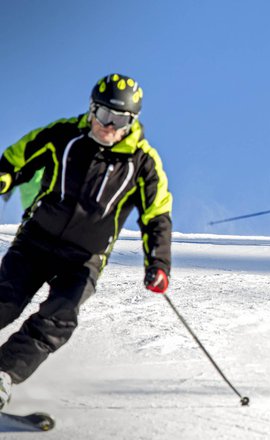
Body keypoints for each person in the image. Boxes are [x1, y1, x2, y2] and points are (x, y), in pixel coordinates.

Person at [0, 73, 173, 409]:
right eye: (103, 115)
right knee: (4, 300)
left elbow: (157, 216)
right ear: (91, 110)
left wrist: (159, 263)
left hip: (83, 258)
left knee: (59, 318)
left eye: (119, 119)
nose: (108, 126)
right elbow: (17, 158)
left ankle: (3, 373)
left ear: (131, 122)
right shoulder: (64, 134)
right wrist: (5, 176)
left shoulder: (143, 163)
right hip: (36, 240)